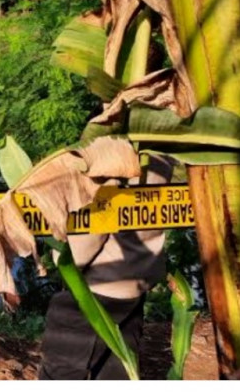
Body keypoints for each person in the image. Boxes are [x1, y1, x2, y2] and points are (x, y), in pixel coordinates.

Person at [37, 155, 175, 380]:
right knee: (118, 371)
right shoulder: (160, 154)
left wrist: (59, 254)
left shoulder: (114, 153)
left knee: (61, 371)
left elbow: (88, 234)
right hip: (135, 285)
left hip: (96, 289)